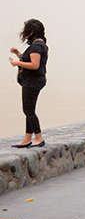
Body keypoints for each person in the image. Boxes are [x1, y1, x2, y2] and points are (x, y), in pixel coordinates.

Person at [9, 19, 48, 149]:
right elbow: (30, 60)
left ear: (31, 32)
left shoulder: (36, 46)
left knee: (28, 110)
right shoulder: (40, 45)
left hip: (33, 82)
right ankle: (27, 138)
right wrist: (18, 54)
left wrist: (17, 63)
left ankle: (38, 137)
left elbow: (34, 65)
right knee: (29, 110)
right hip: (33, 81)